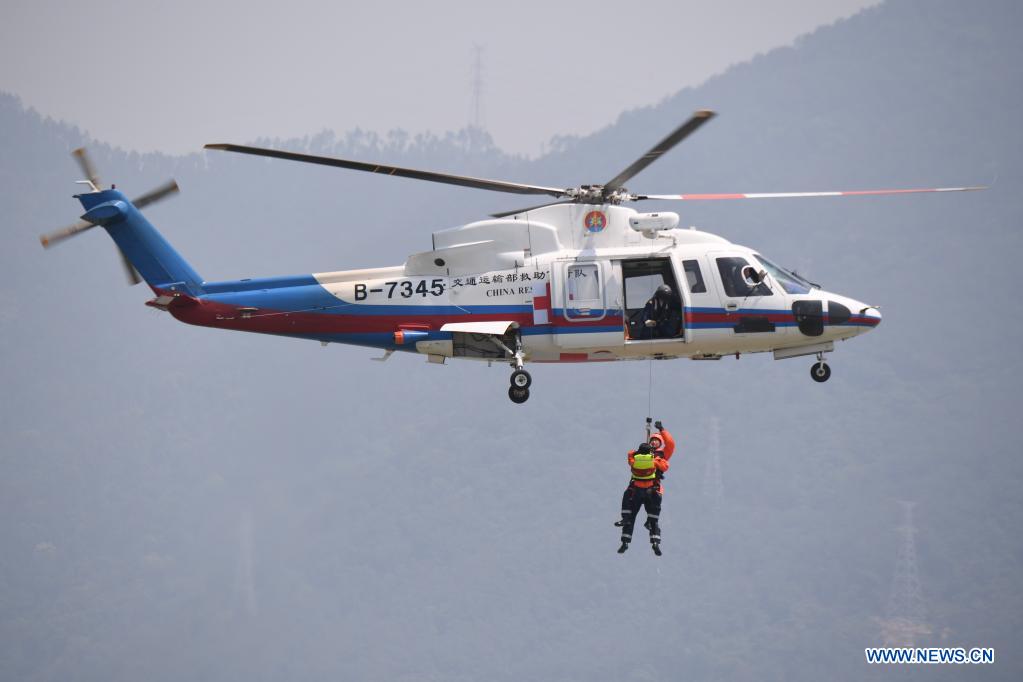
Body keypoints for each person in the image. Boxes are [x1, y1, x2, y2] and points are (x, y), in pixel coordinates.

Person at [616, 422, 674, 555]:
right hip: (636, 487)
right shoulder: (640, 454)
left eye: (657, 441)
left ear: (660, 444)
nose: (654, 443)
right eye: (652, 441)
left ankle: (655, 542)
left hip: (652, 489)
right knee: (630, 515)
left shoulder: (662, 455)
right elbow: (630, 457)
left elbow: (670, 445)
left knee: (653, 518)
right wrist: (640, 452)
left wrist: (662, 430)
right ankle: (625, 541)